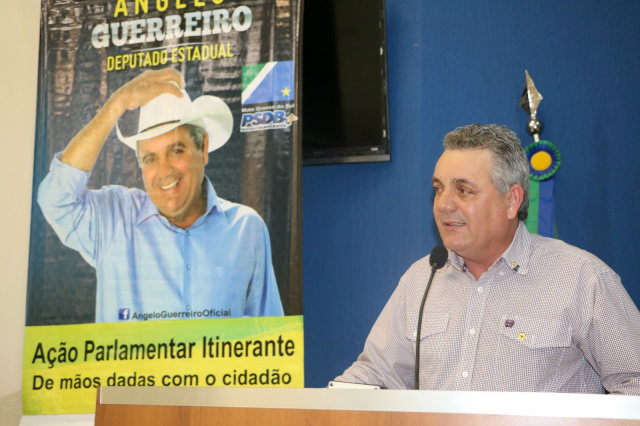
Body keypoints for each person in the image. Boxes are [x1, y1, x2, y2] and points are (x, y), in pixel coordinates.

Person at [335, 124, 640, 394]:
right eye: (438, 190)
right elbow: (375, 377)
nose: (443, 204)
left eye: (463, 190)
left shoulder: (580, 277)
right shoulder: (421, 279)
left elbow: (634, 382)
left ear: (512, 200)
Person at [38, 68, 284, 323]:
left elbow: (268, 335)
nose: (164, 172)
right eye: (150, 158)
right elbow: (56, 199)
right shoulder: (113, 219)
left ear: (203, 148)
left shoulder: (247, 228)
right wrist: (117, 103)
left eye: (176, 151)